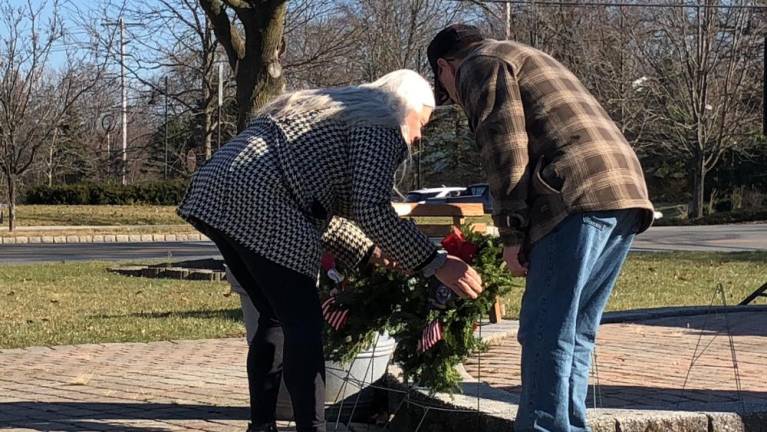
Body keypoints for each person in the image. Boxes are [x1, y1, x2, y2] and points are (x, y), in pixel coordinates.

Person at [177, 69, 483, 432]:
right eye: (422, 123)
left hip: (217, 190)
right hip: (265, 198)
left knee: (273, 319)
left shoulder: (334, 109)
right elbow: (370, 209)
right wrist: (435, 262)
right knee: (302, 324)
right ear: (406, 106)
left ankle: (262, 426)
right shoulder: (383, 121)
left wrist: (369, 251)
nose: (418, 137)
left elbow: (317, 205)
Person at [427, 25, 654, 432]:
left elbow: (505, 148)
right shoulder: (526, 56)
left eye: (447, 88)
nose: (455, 98)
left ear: (445, 67)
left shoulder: (480, 65)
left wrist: (512, 235)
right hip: (624, 190)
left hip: (574, 192)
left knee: (544, 327)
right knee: (576, 328)